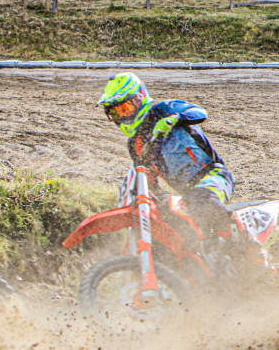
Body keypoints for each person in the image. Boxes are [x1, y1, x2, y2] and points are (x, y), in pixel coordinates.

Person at [97, 73, 259, 268]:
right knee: (169, 222)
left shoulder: (163, 110)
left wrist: (175, 118)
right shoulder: (136, 144)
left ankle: (250, 248)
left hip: (213, 175)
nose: (123, 116)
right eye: (116, 113)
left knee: (200, 199)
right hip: (186, 194)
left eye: (125, 109)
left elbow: (199, 112)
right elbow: (149, 183)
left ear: (139, 98)